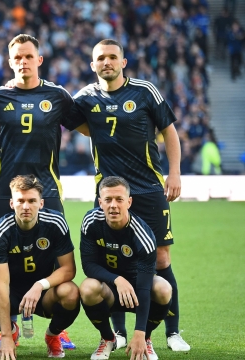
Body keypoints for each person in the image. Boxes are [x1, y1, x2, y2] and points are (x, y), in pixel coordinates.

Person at [68, 39, 189, 352]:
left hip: (148, 188)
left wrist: (174, 172)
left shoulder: (145, 90)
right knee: (116, 259)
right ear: (92, 64)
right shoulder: (85, 98)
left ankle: (172, 332)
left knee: (161, 259)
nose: (106, 62)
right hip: (109, 192)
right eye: (100, 58)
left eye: (112, 57)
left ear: (123, 62)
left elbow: (170, 132)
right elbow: (70, 120)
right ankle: (120, 333)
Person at [0, 33, 83, 352]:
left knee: (53, 257)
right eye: (17, 57)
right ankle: (9, 328)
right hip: (8, 192)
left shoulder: (58, 95)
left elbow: (85, 125)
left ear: (39, 59)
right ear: (10, 62)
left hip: (48, 191)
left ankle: (56, 329)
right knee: (5, 255)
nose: (23, 61)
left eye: (28, 56)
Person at [0, 175, 80, 360]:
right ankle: (12, 331)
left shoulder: (55, 222)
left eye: (32, 201)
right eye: (20, 201)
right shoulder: (0, 231)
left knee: (71, 292)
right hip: (11, 291)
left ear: (41, 203)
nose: (25, 206)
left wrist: (40, 285)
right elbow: (1, 285)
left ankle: (53, 334)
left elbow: (69, 269)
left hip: (44, 293)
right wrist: (6, 336)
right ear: (11, 203)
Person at [80, 176, 172, 360]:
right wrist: (116, 279)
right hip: (109, 287)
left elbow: (145, 287)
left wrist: (139, 331)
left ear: (129, 202)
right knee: (87, 287)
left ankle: (145, 339)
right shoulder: (91, 221)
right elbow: (88, 265)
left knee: (163, 288)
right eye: (108, 200)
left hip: (138, 289)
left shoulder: (142, 234)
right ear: (100, 202)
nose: (113, 205)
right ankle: (107, 338)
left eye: (119, 200)